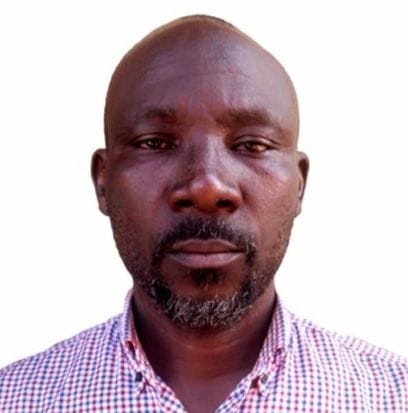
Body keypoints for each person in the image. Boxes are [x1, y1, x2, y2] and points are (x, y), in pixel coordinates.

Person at [0, 14, 407, 413]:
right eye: (155, 143)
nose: (207, 187)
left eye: (252, 145)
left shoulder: (394, 396)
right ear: (103, 183)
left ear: (299, 185)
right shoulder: (14, 399)